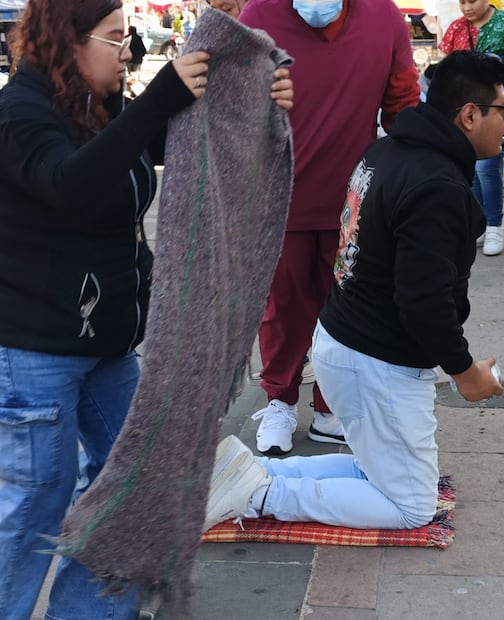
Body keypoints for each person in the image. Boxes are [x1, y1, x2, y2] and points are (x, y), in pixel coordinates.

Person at [0, 1, 293, 617]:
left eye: (129, 35)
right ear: (68, 41)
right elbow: (69, 185)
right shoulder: (19, 112)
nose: (128, 49)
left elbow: (178, 139)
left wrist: (256, 97)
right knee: (34, 506)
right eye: (115, 38)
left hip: (106, 343)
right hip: (34, 351)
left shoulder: (96, 106)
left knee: (142, 479)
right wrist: (157, 100)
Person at [204, 51, 504, 533]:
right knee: (410, 506)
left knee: (377, 469)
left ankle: (254, 473)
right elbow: (423, 302)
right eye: (503, 111)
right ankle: (261, 492)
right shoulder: (436, 184)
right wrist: (463, 370)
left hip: (347, 341)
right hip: (377, 360)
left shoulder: (386, 150)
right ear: (470, 114)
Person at [239, 0, 421, 456]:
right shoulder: (259, 16)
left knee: (345, 312)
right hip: (277, 199)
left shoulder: (384, 19)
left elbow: (402, 106)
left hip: (354, 201)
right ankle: (279, 400)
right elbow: (231, 103)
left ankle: (330, 407)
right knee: (281, 310)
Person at [439, 0, 504, 256]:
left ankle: (494, 224)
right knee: (470, 169)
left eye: (472, 1)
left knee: (486, 167)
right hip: (461, 114)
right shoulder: (455, 28)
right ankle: (479, 221)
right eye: (461, 2)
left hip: (492, 109)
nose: (466, 7)